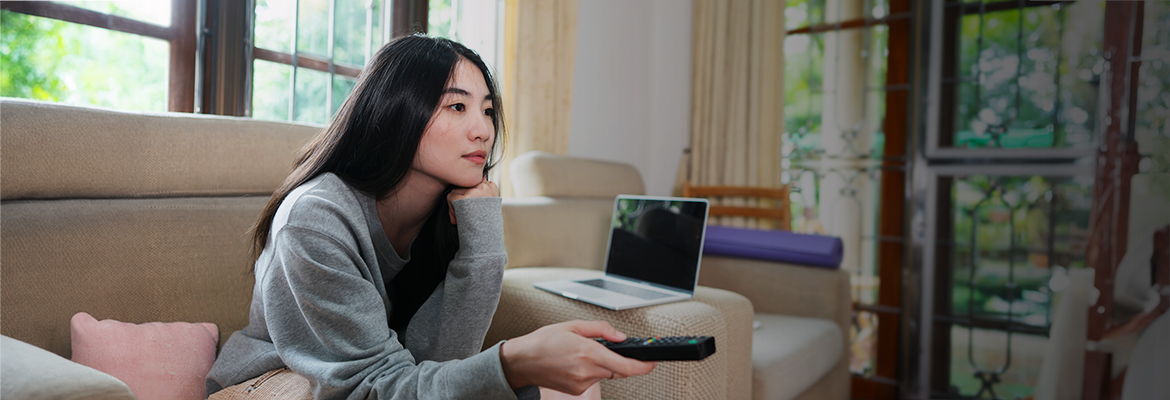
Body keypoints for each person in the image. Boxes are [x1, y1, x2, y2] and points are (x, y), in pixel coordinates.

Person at [205, 35, 656, 399]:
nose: (482, 129)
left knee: (568, 391)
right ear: (395, 110)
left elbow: (438, 366)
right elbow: (371, 388)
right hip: (275, 383)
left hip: (385, 383)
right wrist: (514, 361)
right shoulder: (315, 219)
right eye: (457, 106)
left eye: (487, 110)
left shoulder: (453, 212)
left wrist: (480, 240)